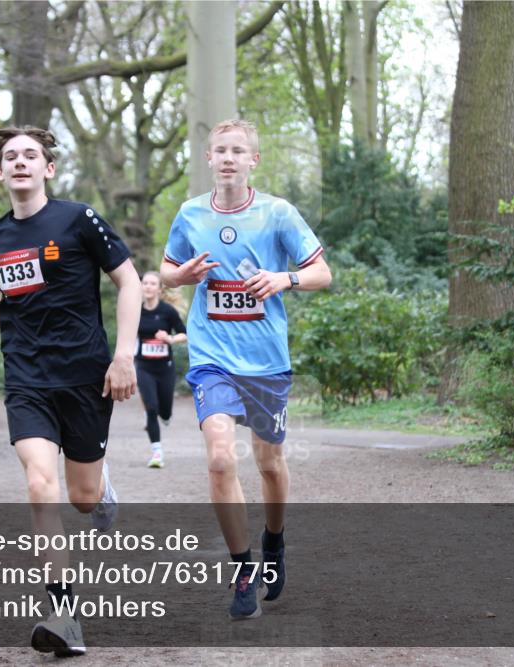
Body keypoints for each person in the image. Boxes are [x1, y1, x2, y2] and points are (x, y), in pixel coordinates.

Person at [0, 125, 140, 657]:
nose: (20, 162)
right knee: (41, 485)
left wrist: (123, 355)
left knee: (81, 499)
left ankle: (101, 487)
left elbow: (129, 281)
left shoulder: (78, 219)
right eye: (11, 157)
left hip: (85, 376)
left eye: (30, 155)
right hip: (27, 380)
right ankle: (64, 615)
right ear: (0, 173)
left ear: (48, 168)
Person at [161, 119, 331, 621]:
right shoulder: (191, 213)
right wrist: (181, 275)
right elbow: (168, 270)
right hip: (212, 356)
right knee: (219, 459)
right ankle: (242, 570)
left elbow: (322, 272)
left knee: (269, 464)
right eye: (221, 150)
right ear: (208, 158)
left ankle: (274, 541)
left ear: (253, 159)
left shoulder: (278, 213)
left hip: (265, 362)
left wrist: (284, 279)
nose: (229, 158)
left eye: (238, 150)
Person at [136, 271, 187, 468]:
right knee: (151, 408)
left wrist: (170, 339)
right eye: (145, 283)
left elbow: (184, 334)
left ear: (159, 289)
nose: (148, 286)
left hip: (165, 368)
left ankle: (165, 416)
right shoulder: (135, 310)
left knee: (164, 412)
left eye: (152, 283)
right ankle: (157, 452)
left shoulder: (167, 311)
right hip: (144, 367)